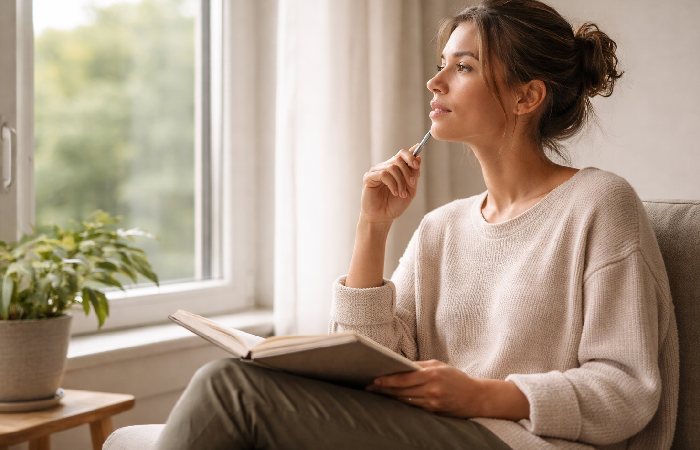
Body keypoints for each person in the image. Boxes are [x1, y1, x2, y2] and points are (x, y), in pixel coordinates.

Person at [155, 1, 678, 449]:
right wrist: (372, 227)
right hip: (432, 431)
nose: (435, 81)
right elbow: (375, 365)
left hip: (521, 442)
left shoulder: (599, 204)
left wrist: (481, 394)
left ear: (526, 96)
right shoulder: (442, 227)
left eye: (464, 67)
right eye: (441, 64)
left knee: (229, 388)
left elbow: (626, 389)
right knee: (237, 379)